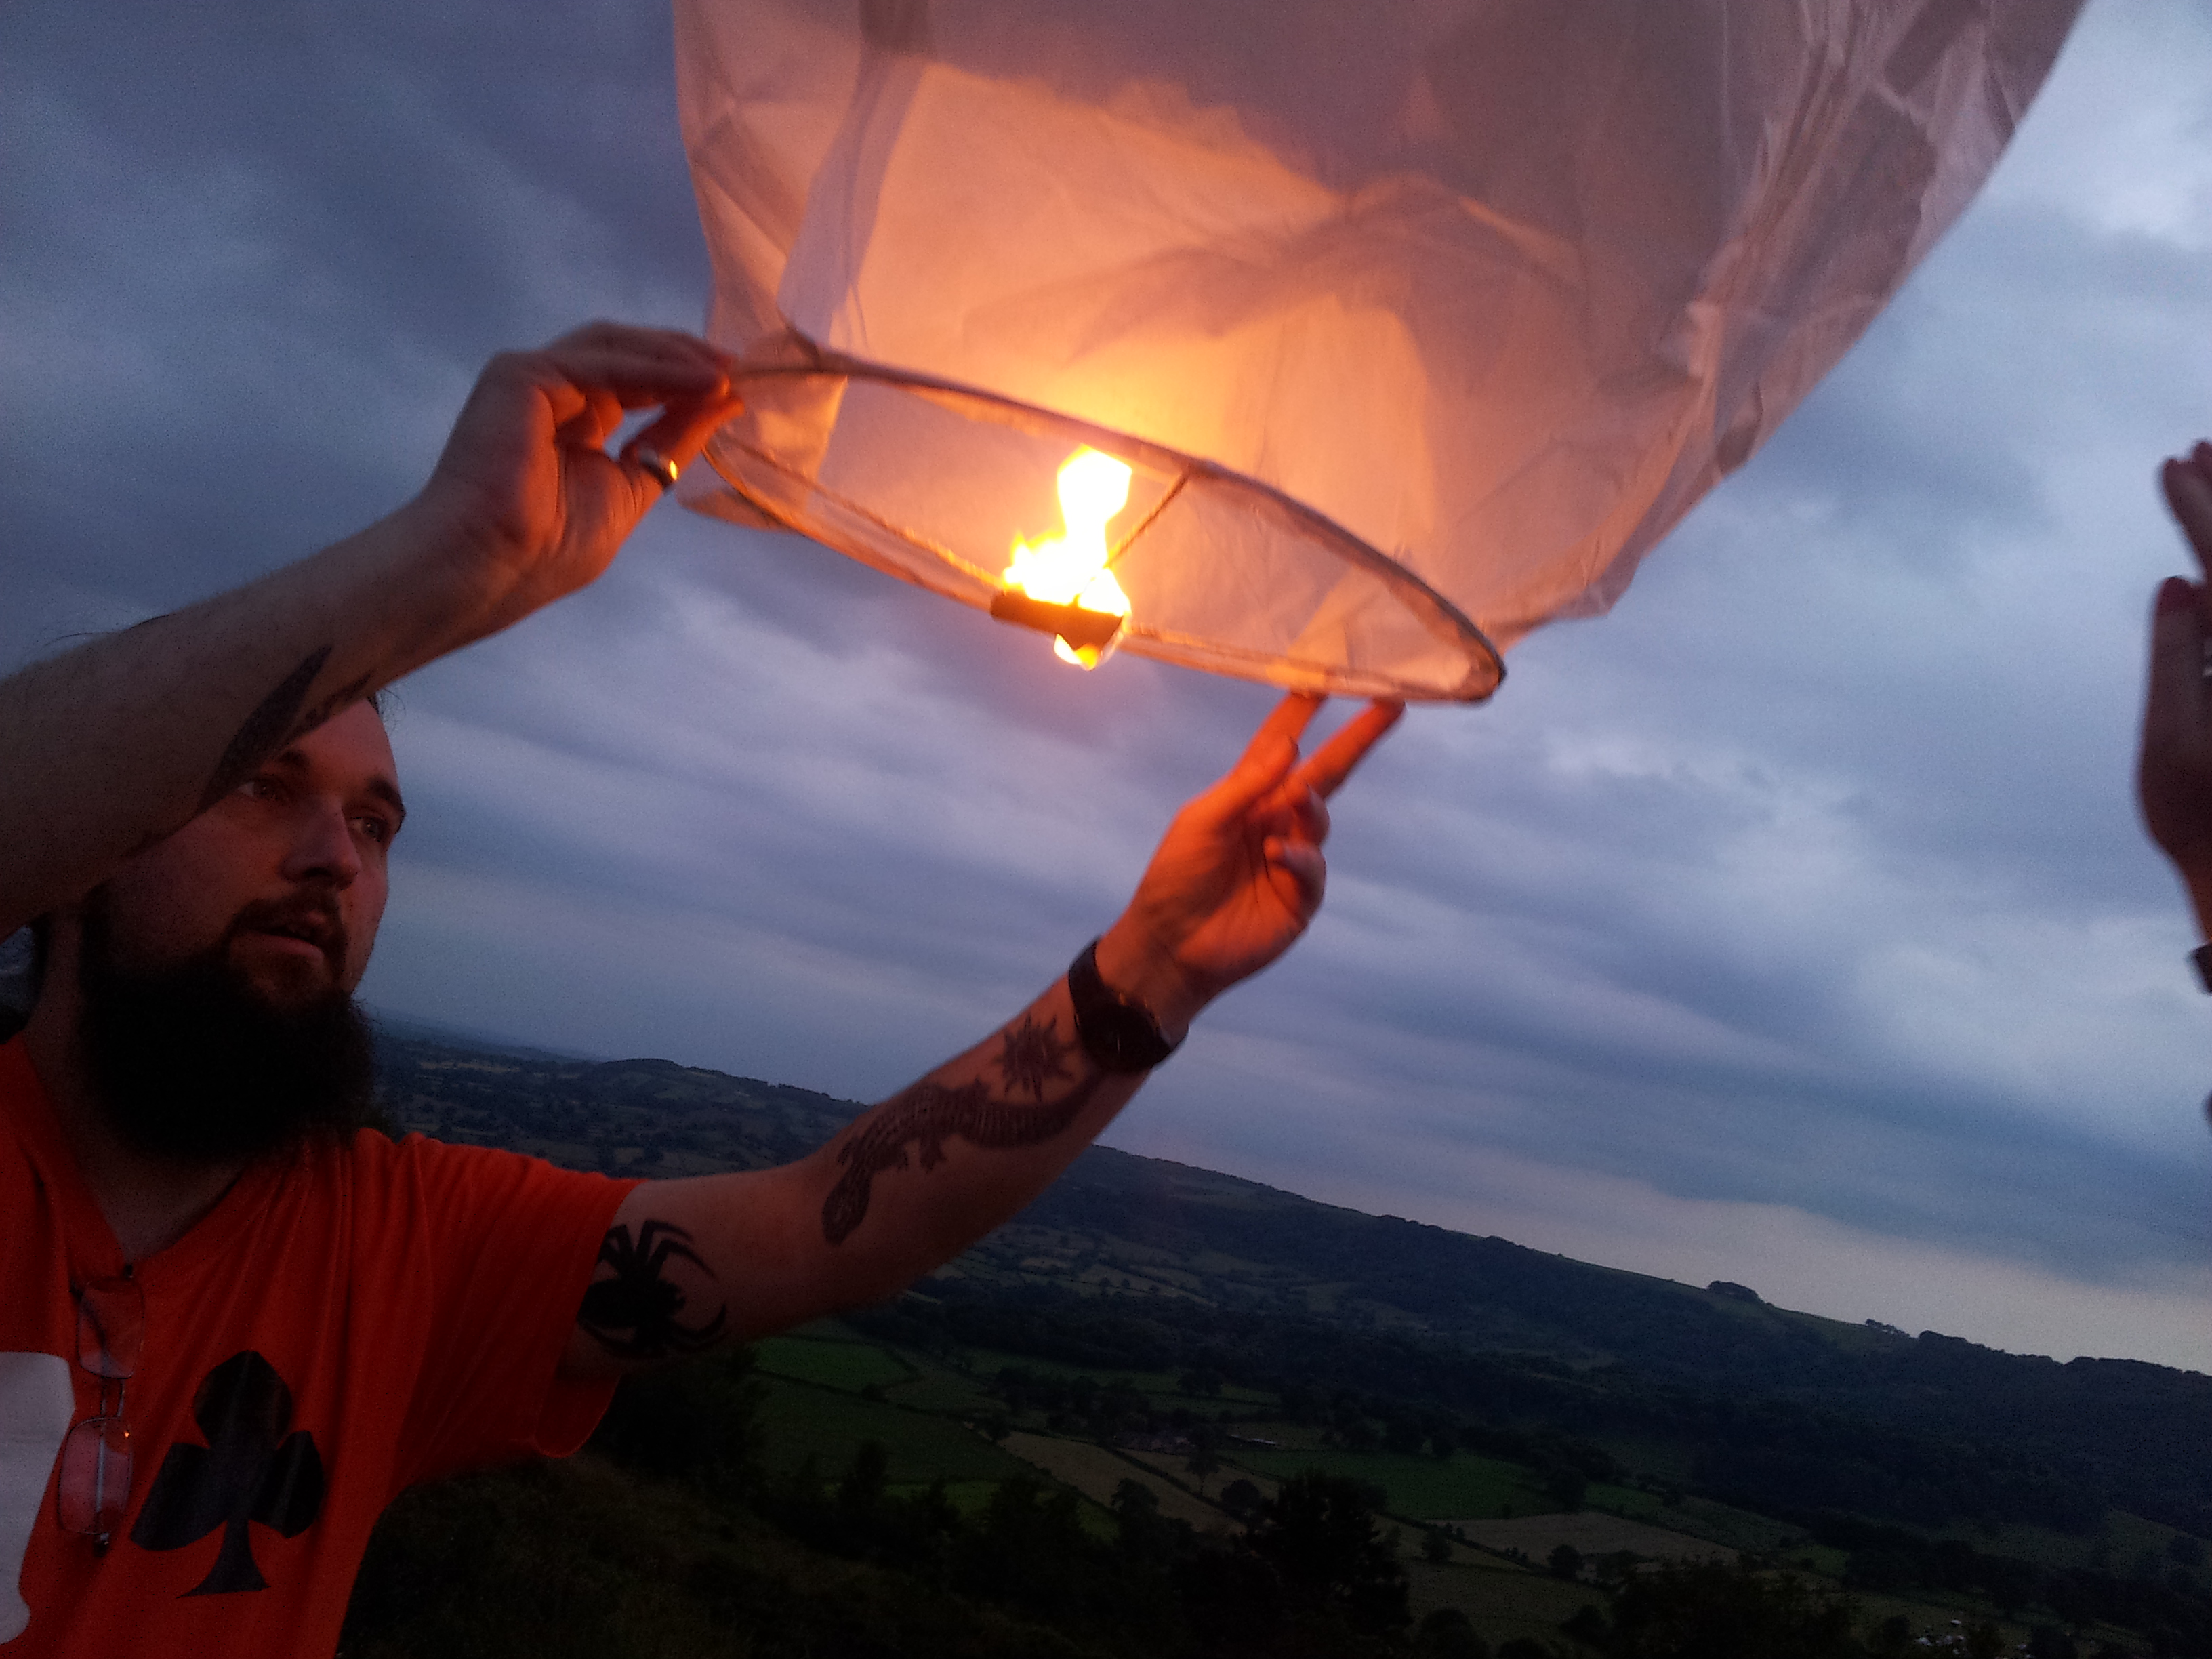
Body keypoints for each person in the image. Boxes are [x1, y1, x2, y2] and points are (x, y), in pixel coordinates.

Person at [0, 323, 1400, 1655]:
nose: (334, 858)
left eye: (376, 824)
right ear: (90, 841)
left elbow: (823, 1228)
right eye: (264, 787)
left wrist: (1146, 971)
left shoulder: (397, 1247)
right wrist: (447, 562)